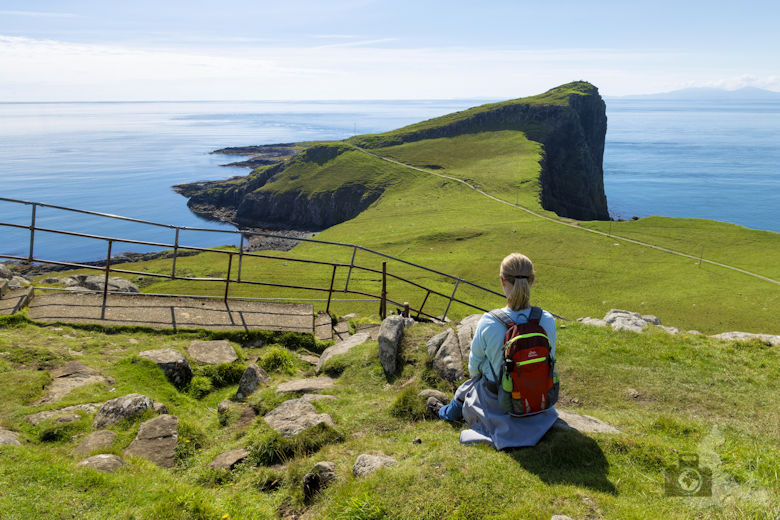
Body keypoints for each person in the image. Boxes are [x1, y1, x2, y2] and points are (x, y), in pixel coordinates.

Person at [428, 252, 559, 449]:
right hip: (538, 397)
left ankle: (444, 413)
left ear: (502, 280)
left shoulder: (490, 321)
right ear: (532, 280)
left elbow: (474, 366)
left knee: (468, 387)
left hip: (500, 400)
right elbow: (550, 358)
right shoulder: (546, 319)